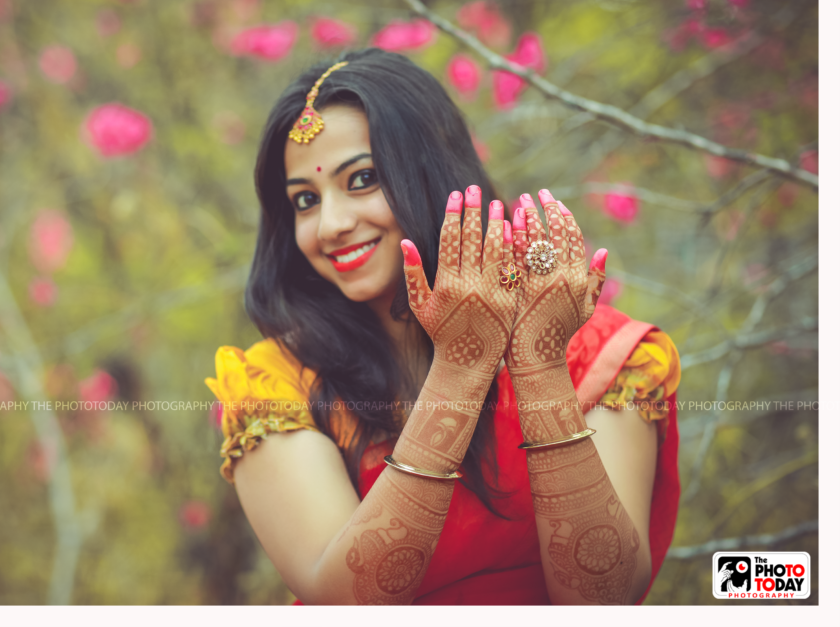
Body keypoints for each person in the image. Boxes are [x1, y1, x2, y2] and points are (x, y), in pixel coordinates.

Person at [205, 48, 680, 605]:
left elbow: (602, 598)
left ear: (432, 174)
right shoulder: (276, 385)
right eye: (305, 200)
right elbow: (347, 601)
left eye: (361, 180)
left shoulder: (596, 355)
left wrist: (539, 367)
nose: (329, 225)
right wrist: (460, 369)